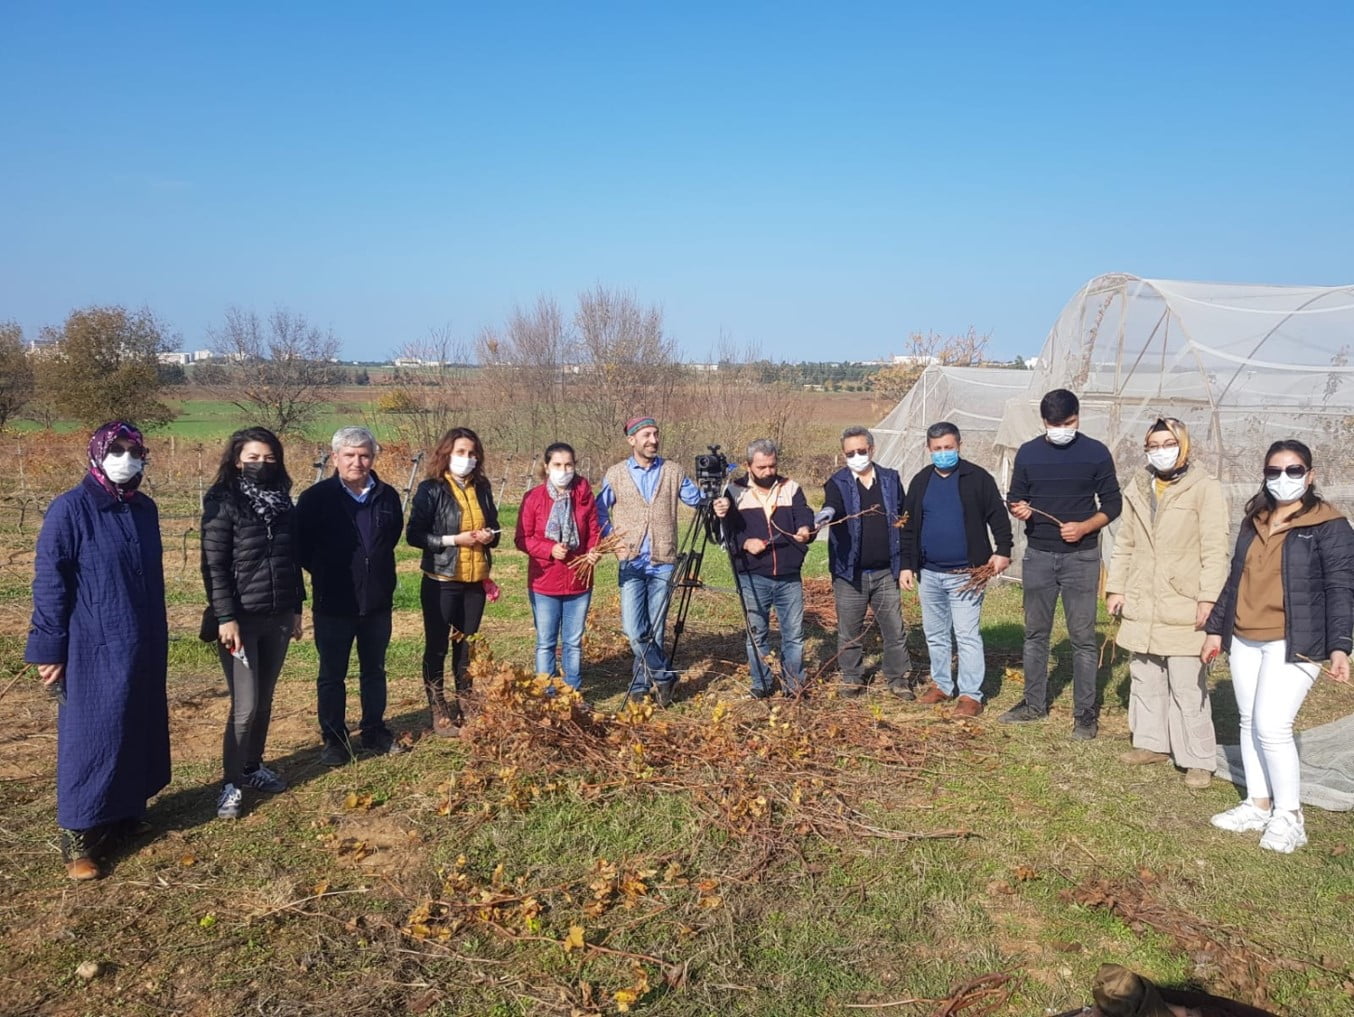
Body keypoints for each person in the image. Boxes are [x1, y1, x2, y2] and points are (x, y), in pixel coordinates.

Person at [26, 422, 170, 880]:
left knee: (137, 720)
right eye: (117, 449)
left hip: (142, 634)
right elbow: (51, 581)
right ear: (97, 454)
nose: (126, 458)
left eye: (134, 450)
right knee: (93, 732)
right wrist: (50, 648)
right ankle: (80, 836)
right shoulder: (70, 509)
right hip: (91, 640)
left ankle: (125, 812)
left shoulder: (144, 509)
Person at [1203, 440, 1353, 853]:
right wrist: (1217, 629)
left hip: (1297, 641)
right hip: (1245, 635)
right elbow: (1236, 578)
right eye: (1274, 471)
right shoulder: (1256, 518)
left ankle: (1290, 816)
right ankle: (1258, 802)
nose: (1283, 479)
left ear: (1310, 475)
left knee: (1272, 726)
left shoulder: (1330, 525)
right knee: (1250, 722)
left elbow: (1342, 588)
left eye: (1293, 470)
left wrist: (1341, 645)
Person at [1104, 418, 1228, 788]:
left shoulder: (1204, 488)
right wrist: (1117, 586)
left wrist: (1208, 598)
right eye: (1153, 445)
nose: (1160, 450)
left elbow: (1215, 548)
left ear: (1184, 445)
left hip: (1183, 600)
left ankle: (1197, 758)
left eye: (1167, 443)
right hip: (1144, 597)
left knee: (1188, 684)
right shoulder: (1139, 487)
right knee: (1145, 675)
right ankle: (1152, 743)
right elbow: (1124, 542)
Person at [1002, 389, 1122, 739]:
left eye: (1067, 423)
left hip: (1082, 558)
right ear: (1044, 423)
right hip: (1038, 555)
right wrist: (1019, 508)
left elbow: (1113, 504)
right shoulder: (1028, 453)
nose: (1061, 430)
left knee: (1083, 637)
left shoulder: (1096, 453)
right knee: (1036, 633)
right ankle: (1033, 704)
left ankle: (1085, 714)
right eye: (1054, 425)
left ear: (1078, 417)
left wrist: (1085, 527)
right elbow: (1015, 497)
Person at [201, 427, 306, 821]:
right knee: (244, 706)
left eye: (269, 458)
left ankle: (252, 767)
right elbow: (214, 566)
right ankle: (230, 783)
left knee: (264, 700)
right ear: (236, 460)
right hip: (240, 621)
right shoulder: (222, 501)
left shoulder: (283, 502)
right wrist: (225, 616)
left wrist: (296, 607)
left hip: (277, 616)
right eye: (252, 457)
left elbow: (290, 558)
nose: (261, 464)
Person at [297, 426, 405, 766]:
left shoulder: (387, 496)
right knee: (332, 674)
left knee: (374, 669)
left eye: (364, 455)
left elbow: (391, 538)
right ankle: (334, 738)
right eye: (350, 455)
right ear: (335, 458)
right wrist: (329, 573)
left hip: (377, 602)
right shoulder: (316, 499)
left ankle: (374, 730)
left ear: (373, 458)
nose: (357, 462)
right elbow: (301, 548)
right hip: (334, 603)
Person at [900, 422, 1012, 717]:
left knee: (966, 634)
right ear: (929, 449)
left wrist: (1003, 550)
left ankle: (970, 694)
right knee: (935, 633)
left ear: (959, 445)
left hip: (967, 574)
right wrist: (906, 566)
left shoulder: (977, 478)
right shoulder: (921, 481)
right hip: (930, 573)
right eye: (937, 449)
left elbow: (998, 517)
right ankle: (941, 685)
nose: (943, 453)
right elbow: (908, 526)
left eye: (948, 447)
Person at [596, 416, 703, 705]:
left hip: (663, 561)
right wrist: (613, 542)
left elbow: (695, 499)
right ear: (632, 440)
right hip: (630, 562)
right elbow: (600, 512)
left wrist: (717, 498)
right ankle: (665, 676)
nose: (653, 440)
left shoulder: (673, 471)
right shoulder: (616, 474)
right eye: (646, 435)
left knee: (654, 628)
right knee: (634, 629)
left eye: (655, 434)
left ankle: (640, 686)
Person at [407, 427, 500, 734]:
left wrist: (489, 536)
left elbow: (496, 528)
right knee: (437, 646)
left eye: (472, 453)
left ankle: (467, 702)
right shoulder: (431, 489)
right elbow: (415, 535)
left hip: (474, 581)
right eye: (461, 452)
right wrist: (453, 539)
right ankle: (439, 709)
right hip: (441, 579)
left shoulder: (482, 487)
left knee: (467, 646)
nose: (467, 458)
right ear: (446, 454)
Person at [712, 439, 815, 698]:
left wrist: (805, 530)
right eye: (762, 467)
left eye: (772, 466)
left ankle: (793, 685)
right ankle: (762, 683)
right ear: (748, 466)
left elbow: (804, 514)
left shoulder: (790, 487)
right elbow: (722, 534)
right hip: (753, 575)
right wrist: (745, 543)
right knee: (757, 635)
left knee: (794, 635)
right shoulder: (733, 493)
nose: (768, 472)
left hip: (789, 575)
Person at [823, 426, 913, 698]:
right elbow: (832, 505)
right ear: (843, 454)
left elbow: (904, 519)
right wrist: (825, 515)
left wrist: (906, 563)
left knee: (894, 630)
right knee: (850, 630)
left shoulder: (889, 479)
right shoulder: (837, 482)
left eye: (861, 451)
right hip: (850, 572)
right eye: (850, 453)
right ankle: (852, 678)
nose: (856, 456)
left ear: (872, 450)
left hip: (887, 571)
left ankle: (897, 678)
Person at [514, 442, 602, 692]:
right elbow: (522, 538)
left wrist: (595, 550)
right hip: (544, 582)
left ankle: (571, 692)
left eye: (569, 465)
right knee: (546, 642)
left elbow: (594, 531)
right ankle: (546, 693)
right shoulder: (533, 498)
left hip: (579, 580)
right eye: (557, 465)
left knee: (573, 642)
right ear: (546, 467)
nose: (564, 470)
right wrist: (548, 549)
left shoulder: (584, 496)